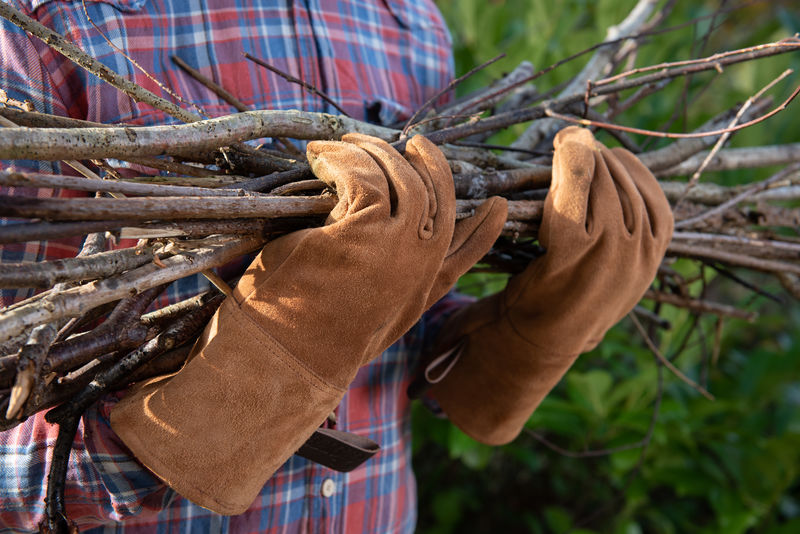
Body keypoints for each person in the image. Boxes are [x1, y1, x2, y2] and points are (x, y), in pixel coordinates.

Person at [0, 1, 673, 533]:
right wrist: (221, 419)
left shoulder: (407, 22)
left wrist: (524, 338)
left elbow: (398, 331)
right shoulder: (46, 25)